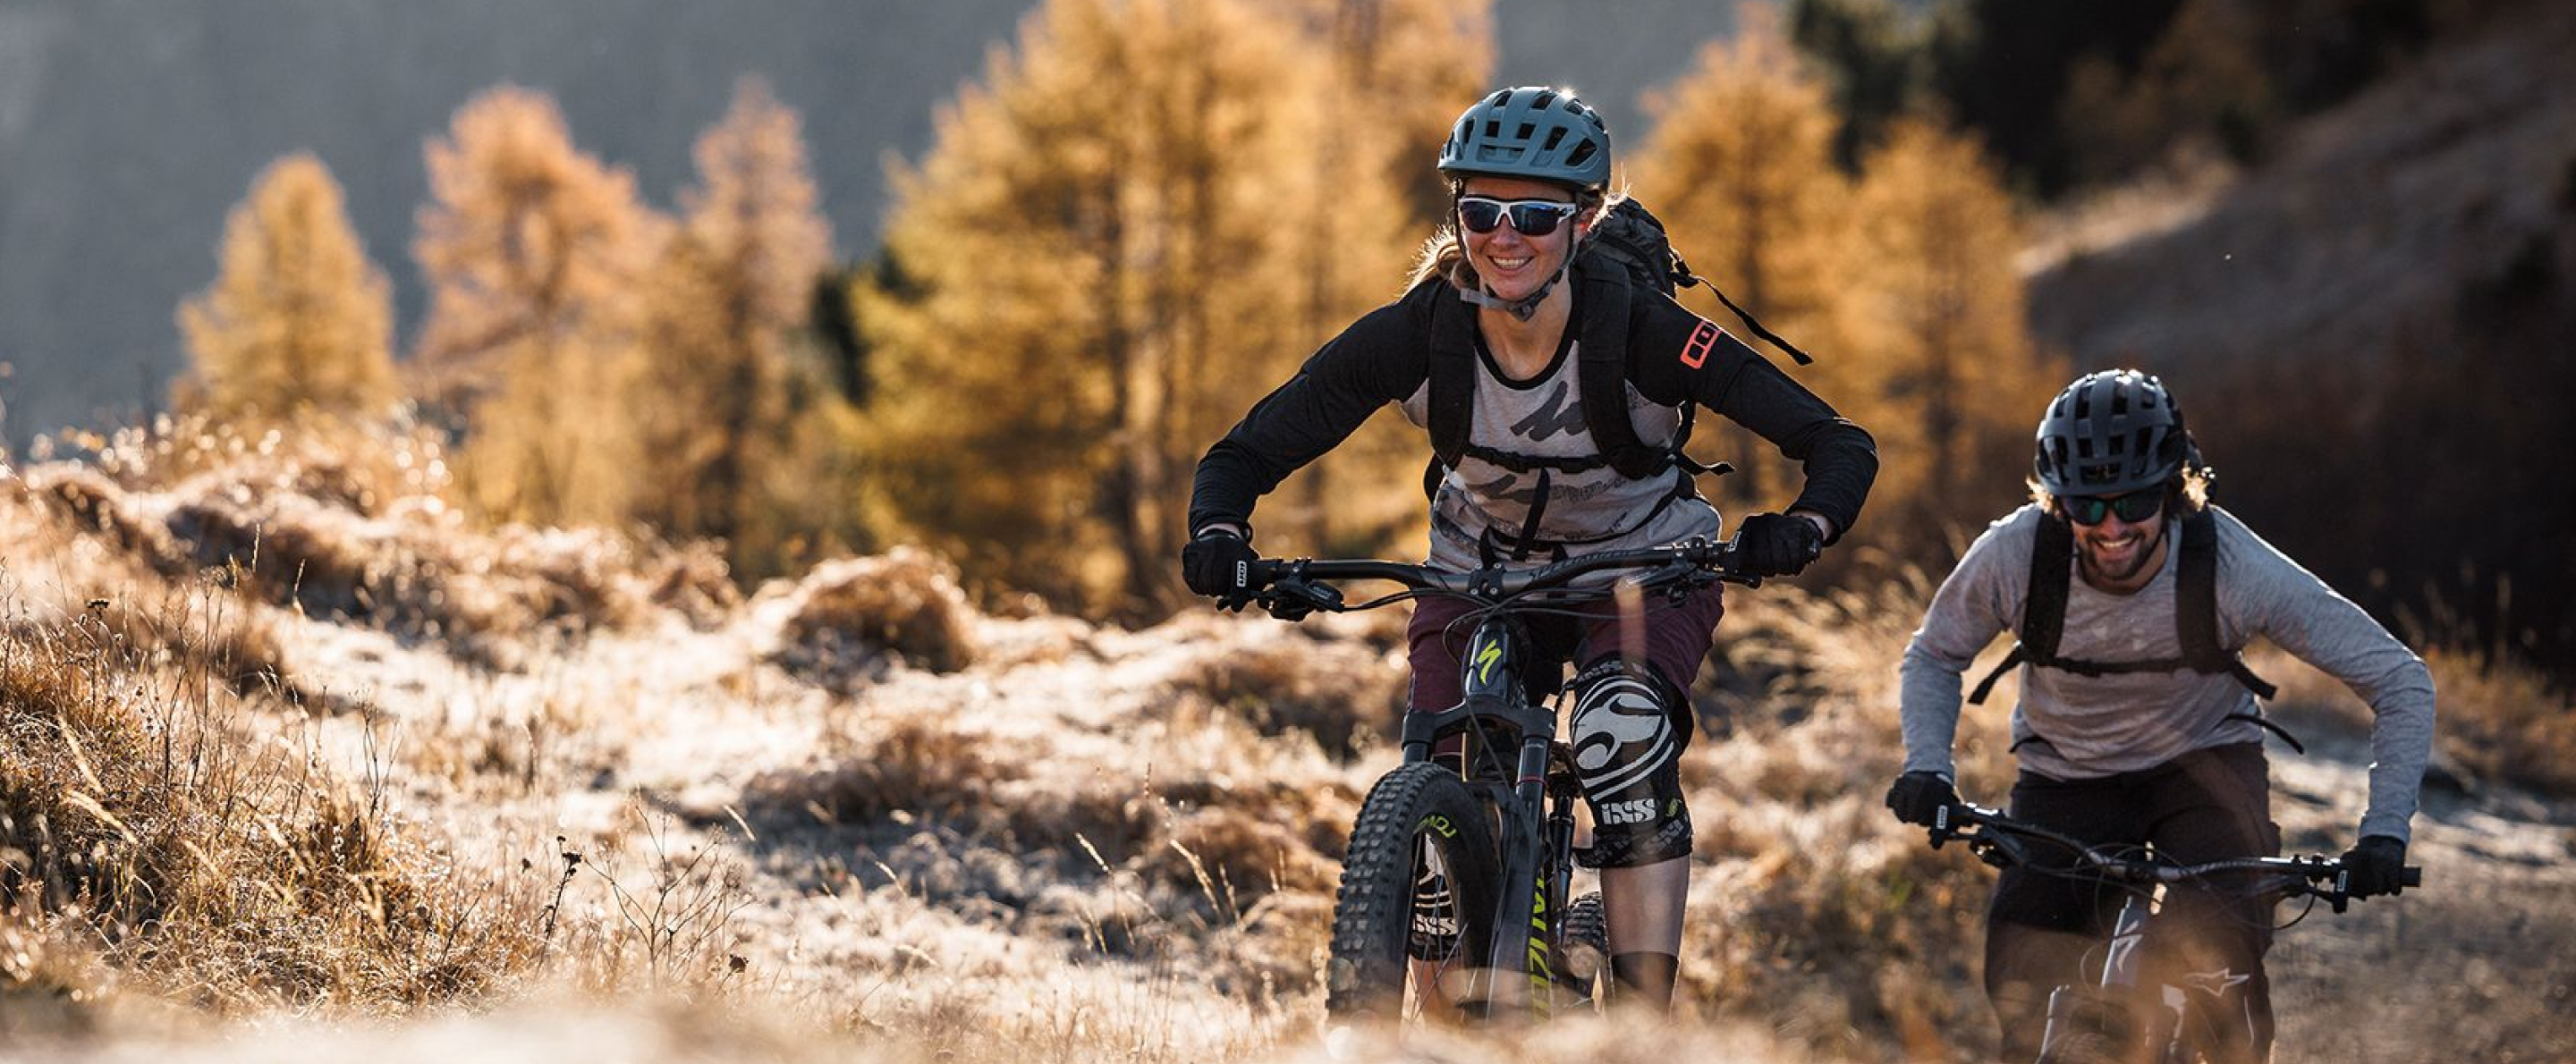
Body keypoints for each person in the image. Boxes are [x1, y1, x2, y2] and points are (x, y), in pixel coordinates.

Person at [1181, 85, 1877, 1010]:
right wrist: (1221, 535)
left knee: (1620, 735)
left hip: (1640, 567)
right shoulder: (1416, 333)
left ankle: (1637, 1027)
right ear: (1458, 215)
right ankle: (1439, 1014)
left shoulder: (1647, 331)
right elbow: (1247, 451)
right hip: (1481, 568)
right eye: (1481, 211)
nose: (1505, 237)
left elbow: (1838, 443)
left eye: (1537, 215)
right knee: (1435, 785)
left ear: (1584, 222)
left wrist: (1799, 526)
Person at [1884, 369, 2436, 1061]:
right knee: (2023, 983)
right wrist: (1929, 769)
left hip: (2204, 772)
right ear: (2056, 503)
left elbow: (2398, 677)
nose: (2111, 528)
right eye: (2087, 507)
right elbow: (1934, 654)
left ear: (2176, 490)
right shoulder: (2016, 555)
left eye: (2136, 501)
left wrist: (2384, 833)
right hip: (2067, 778)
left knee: (2219, 965)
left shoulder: (2232, 565)